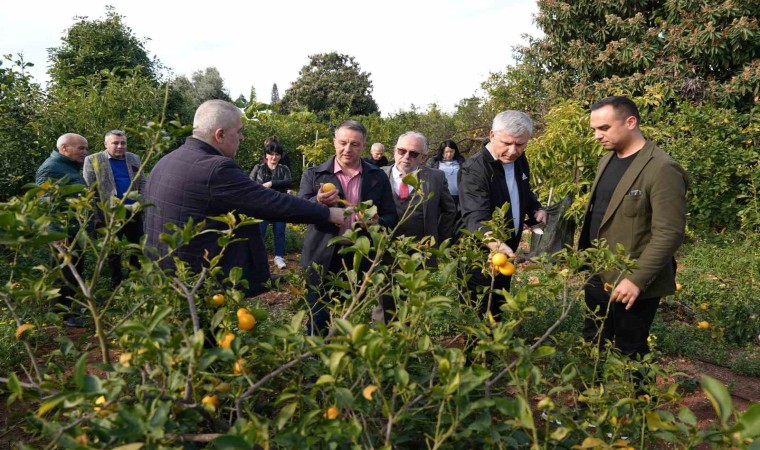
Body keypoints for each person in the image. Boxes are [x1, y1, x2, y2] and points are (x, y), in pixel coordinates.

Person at [144, 100, 346, 298]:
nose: (242, 137)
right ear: (220, 135)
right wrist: (326, 213)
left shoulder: (166, 161)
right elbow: (269, 202)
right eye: (239, 132)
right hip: (199, 285)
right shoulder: (216, 168)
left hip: (164, 278)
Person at [579, 96, 687, 363]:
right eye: (594, 129)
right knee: (593, 339)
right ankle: (593, 390)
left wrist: (636, 279)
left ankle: (635, 392)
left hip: (632, 277)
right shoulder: (606, 160)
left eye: (604, 128)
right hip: (598, 269)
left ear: (630, 122)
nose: (597, 135)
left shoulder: (662, 168)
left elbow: (669, 232)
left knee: (630, 349)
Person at [299, 121, 398, 335]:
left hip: (359, 256)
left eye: (354, 144)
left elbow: (391, 216)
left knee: (352, 318)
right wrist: (318, 202)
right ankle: (315, 355)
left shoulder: (377, 176)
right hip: (321, 255)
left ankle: (345, 355)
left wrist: (377, 222)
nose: (347, 149)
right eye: (343, 143)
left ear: (363, 146)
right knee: (318, 317)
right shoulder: (314, 174)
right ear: (334, 142)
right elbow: (300, 210)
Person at [459, 111, 546, 321]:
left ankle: (497, 339)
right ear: (492, 135)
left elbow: (522, 189)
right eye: (507, 143)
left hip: (507, 247)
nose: (513, 151)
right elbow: (474, 214)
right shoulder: (474, 170)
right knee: (479, 308)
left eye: (520, 144)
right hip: (480, 251)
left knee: (498, 303)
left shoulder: (520, 159)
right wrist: (493, 242)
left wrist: (535, 208)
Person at [36, 133, 90, 327]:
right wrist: (57, 234)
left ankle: (72, 309)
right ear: (64, 148)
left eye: (86, 148)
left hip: (75, 230)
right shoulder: (51, 168)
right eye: (81, 148)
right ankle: (62, 314)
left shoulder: (68, 167)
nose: (85, 152)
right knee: (63, 273)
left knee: (74, 271)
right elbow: (47, 204)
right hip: (64, 233)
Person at [83, 130, 145, 287]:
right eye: (115, 143)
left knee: (137, 245)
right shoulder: (93, 160)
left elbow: (142, 182)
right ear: (105, 144)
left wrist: (143, 203)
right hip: (110, 214)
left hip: (133, 211)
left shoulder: (134, 158)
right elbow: (89, 189)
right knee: (113, 250)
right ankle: (116, 282)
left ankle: (135, 278)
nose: (120, 146)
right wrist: (95, 216)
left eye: (123, 143)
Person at [382, 131, 456, 244]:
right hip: (384, 247)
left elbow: (449, 211)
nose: (406, 157)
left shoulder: (436, 178)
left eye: (413, 154)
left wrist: (438, 239)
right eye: (401, 151)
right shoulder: (378, 175)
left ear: (423, 157)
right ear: (395, 151)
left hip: (422, 249)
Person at [249, 141, 292, 269]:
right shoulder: (258, 168)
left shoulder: (284, 169)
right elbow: (250, 184)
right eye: (271, 154)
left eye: (277, 154)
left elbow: (288, 182)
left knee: (279, 232)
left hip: (279, 206)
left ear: (280, 156)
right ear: (266, 155)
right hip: (262, 206)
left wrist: (271, 183)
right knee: (259, 233)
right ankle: (258, 257)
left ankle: (278, 257)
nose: (274, 157)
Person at [426, 139, 465, 205]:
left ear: (455, 151)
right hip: (440, 197)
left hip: (458, 198)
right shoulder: (434, 162)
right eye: (446, 152)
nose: (449, 154)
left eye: (451, 151)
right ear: (442, 151)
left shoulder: (461, 162)